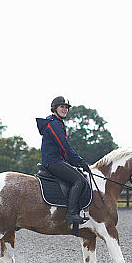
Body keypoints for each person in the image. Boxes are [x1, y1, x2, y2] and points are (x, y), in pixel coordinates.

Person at [36, 96, 91, 225]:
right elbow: (64, 146)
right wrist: (79, 161)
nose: (65, 109)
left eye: (66, 107)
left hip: (55, 160)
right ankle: (71, 214)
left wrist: (74, 162)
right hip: (53, 162)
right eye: (62, 107)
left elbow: (63, 150)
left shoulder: (56, 122)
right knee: (79, 180)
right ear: (54, 108)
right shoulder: (54, 124)